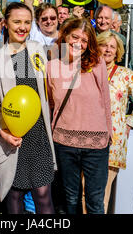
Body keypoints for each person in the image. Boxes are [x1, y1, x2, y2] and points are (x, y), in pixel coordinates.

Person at [0, 2, 56, 214]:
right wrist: (3, 133)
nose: (22, 27)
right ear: (6, 23)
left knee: (43, 196)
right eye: (17, 21)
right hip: (12, 136)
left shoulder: (38, 50)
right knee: (13, 196)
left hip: (39, 135)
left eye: (27, 22)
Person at [47, 17, 112, 214]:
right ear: (65, 35)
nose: (79, 43)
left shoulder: (97, 63)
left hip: (96, 144)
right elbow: (51, 104)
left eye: (84, 40)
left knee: (94, 200)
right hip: (64, 143)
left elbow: (105, 100)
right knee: (70, 199)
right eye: (75, 37)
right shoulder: (52, 66)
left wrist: (109, 133)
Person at [97, 31, 133, 213]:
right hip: (86, 140)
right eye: (104, 45)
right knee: (83, 192)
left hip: (112, 142)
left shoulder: (125, 74)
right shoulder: (86, 70)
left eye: (112, 46)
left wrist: (129, 122)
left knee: (101, 194)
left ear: (118, 51)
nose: (107, 50)